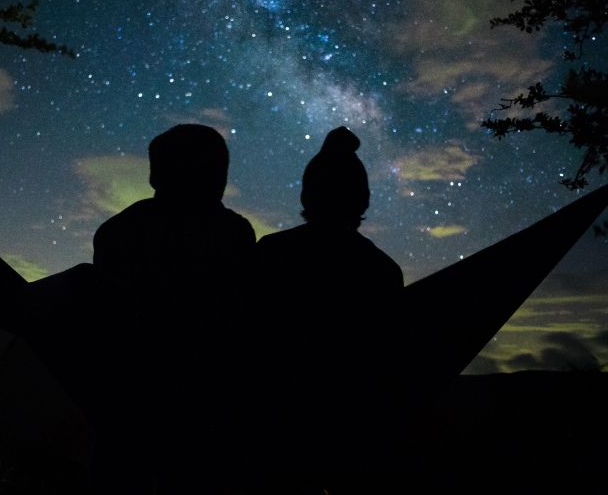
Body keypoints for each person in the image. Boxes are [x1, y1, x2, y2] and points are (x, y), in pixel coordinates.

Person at [89, 123, 256, 478]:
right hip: (204, 398)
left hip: (130, 396)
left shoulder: (119, 231)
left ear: (155, 172)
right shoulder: (234, 233)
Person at [251, 126, 405, 471]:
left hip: (271, 428)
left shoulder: (271, 254)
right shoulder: (382, 271)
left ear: (308, 195)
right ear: (362, 199)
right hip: (352, 433)